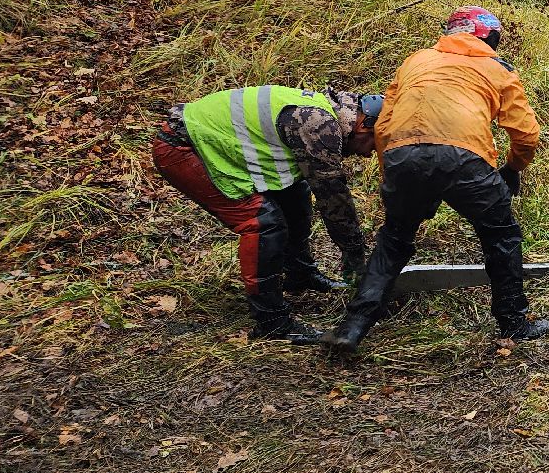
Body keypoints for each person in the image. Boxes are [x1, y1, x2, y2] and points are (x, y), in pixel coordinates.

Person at [325, 6, 548, 355]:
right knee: (500, 236)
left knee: (394, 239)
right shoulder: (497, 68)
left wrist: (393, 173)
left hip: (402, 154)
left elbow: (383, 123)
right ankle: (513, 323)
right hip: (464, 158)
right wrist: (513, 168)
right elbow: (526, 134)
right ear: (488, 36)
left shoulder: (416, 60)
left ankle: (352, 327)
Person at [151, 87, 379, 341]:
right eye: (374, 144)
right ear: (364, 127)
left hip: (214, 143)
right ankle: (271, 322)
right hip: (183, 148)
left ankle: (300, 275)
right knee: (263, 223)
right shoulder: (319, 126)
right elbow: (333, 198)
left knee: (296, 194)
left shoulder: (330, 112)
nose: (369, 153)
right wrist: (354, 253)